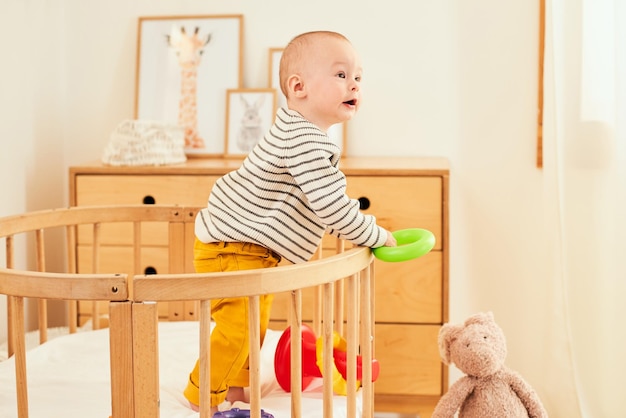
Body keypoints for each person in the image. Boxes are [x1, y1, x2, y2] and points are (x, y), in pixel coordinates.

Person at [183, 30, 397, 416]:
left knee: (253, 324)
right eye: (340, 75)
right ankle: (203, 395)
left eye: (358, 77)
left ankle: (235, 389)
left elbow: (321, 202)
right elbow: (332, 206)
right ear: (298, 87)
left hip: (250, 249)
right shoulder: (305, 142)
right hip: (233, 247)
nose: (354, 85)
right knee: (238, 328)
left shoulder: (303, 133)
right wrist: (376, 234)